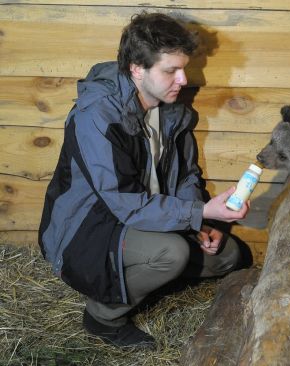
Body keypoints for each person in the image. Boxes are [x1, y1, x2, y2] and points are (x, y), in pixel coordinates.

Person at [38, 12, 249, 350]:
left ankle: (143, 277)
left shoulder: (172, 109)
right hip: (91, 227)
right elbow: (124, 204)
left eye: (184, 68)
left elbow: (186, 175)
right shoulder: (97, 116)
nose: (183, 79)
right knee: (172, 254)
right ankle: (102, 317)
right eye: (170, 71)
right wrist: (196, 213)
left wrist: (200, 221)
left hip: (147, 215)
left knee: (229, 255)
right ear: (137, 68)